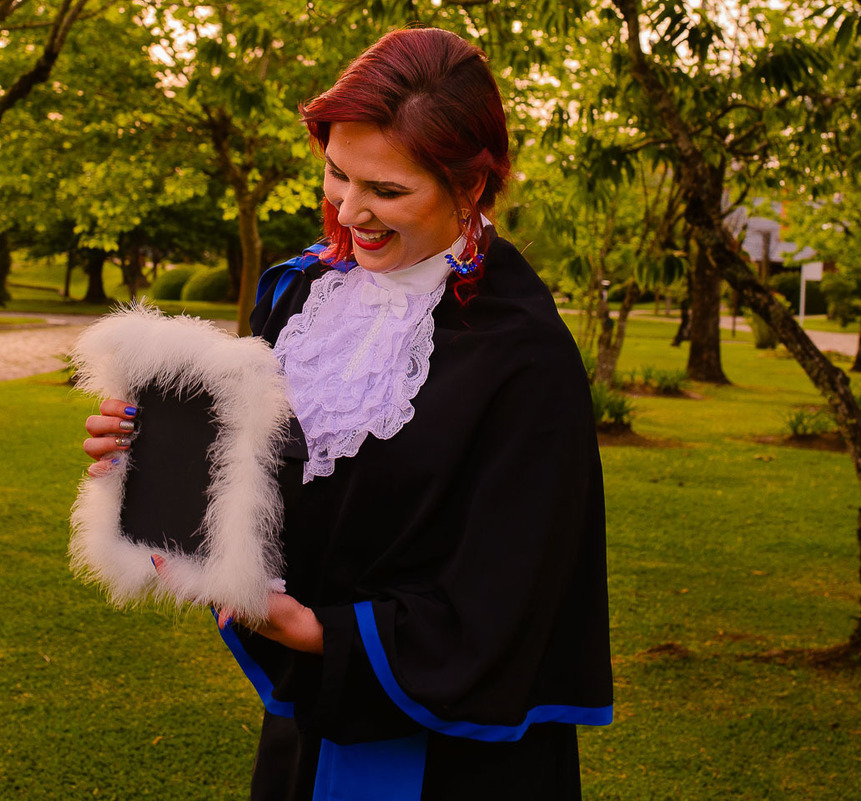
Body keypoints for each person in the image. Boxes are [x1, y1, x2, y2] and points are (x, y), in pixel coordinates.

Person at [82, 27, 612, 800]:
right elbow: (257, 480)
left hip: (456, 758)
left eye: (388, 191)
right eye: (337, 173)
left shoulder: (523, 356)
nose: (351, 212)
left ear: (471, 186)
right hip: (314, 722)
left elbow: (510, 588)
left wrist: (322, 631)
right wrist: (143, 461)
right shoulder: (301, 293)